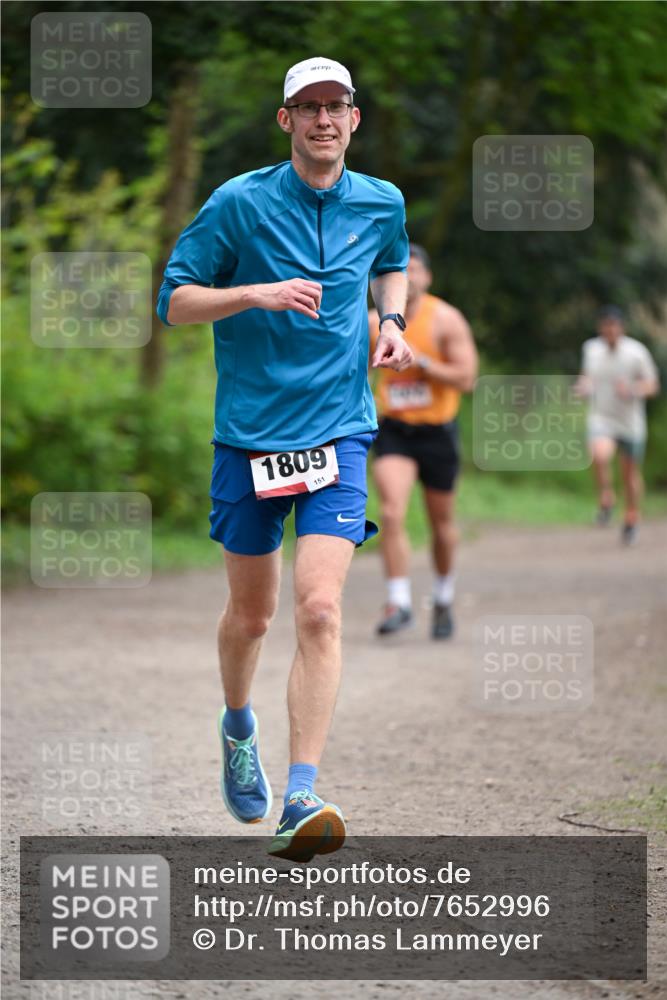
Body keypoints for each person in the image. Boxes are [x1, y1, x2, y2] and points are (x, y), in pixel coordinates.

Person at [156, 57, 413, 862]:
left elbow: (392, 261)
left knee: (320, 609)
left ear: (353, 119)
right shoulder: (238, 203)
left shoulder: (381, 201)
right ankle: (238, 725)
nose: (323, 120)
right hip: (250, 437)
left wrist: (393, 320)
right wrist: (254, 293)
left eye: (335, 106)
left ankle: (300, 794)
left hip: (338, 430)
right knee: (252, 617)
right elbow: (174, 301)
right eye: (308, 108)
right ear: (286, 120)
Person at [369, 244, 478, 638]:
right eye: (401, 270)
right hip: (395, 429)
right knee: (393, 511)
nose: (409, 277)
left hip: (437, 431)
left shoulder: (445, 320)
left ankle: (444, 596)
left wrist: (424, 364)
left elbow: (467, 379)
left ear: (427, 277)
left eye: (415, 270)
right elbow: (352, 377)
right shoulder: (373, 324)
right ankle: (398, 601)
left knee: (441, 524)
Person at [576, 305, 659, 545]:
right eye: (605, 325)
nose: (609, 330)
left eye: (613, 325)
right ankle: (607, 497)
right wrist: (583, 386)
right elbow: (586, 376)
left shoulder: (636, 352)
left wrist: (633, 390)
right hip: (602, 417)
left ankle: (632, 515)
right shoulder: (591, 349)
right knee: (599, 455)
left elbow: (652, 385)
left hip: (630, 422)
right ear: (600, 327)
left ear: (621, 328)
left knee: (629, 473)